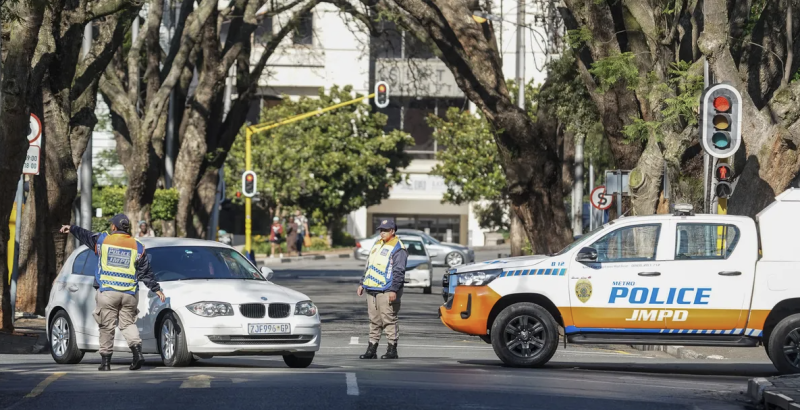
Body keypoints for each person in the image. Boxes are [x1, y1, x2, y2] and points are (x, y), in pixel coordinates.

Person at [59, 214, 166, 371]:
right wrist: (156, 289)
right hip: (129, 293)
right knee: (128, 323)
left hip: (108, 291)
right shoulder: (138, 246)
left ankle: (106, 362)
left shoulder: (103, 240)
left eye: (112, 225)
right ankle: (137, 354)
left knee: (106, 326)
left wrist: (72, 228)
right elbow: (145, 272)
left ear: (114, 227)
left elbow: (86, 235)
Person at [356, 219, 407, 360]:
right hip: (371, 288)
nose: (382, 233)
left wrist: (393, 290)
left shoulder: (398, 248)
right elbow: (369, 266)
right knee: (374, 320)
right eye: (381, 230)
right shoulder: (377, 244)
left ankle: (392, 349)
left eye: (385, 230)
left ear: (393, 231)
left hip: (387, 289)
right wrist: (362, 283)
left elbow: (399, 271)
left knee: (388, 319)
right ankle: (372, 349)